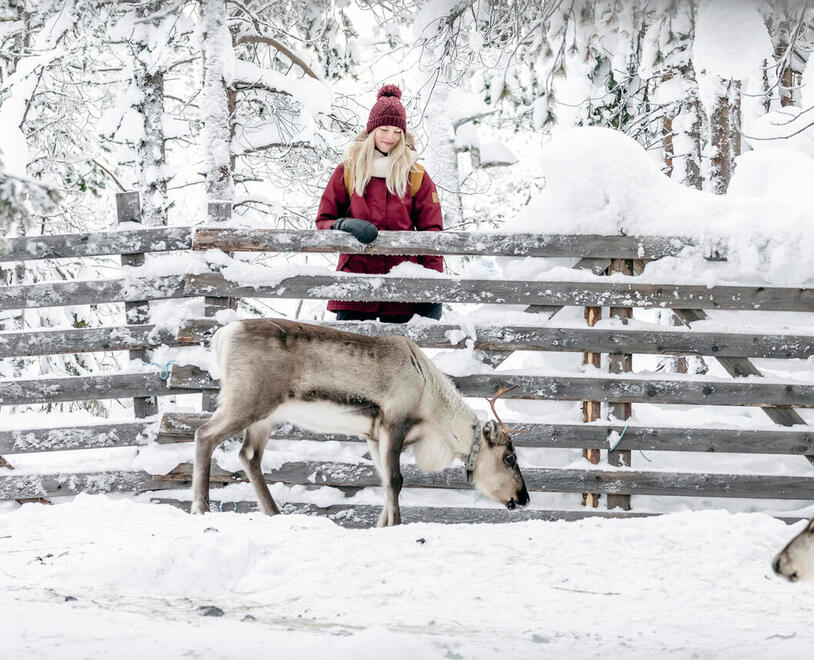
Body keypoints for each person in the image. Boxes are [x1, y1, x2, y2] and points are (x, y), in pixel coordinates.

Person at [315, 84, 444, 323]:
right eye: (384, 129)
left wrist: (432, 289)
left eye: (397, 132)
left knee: (396, 358)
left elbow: (432, 233)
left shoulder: (415, 174)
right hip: (355, 284)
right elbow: (323, 220)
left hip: (402, 288)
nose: (390, 138)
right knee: (351, 356)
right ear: (372, 129)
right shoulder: (349, 171)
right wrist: (343, 224)